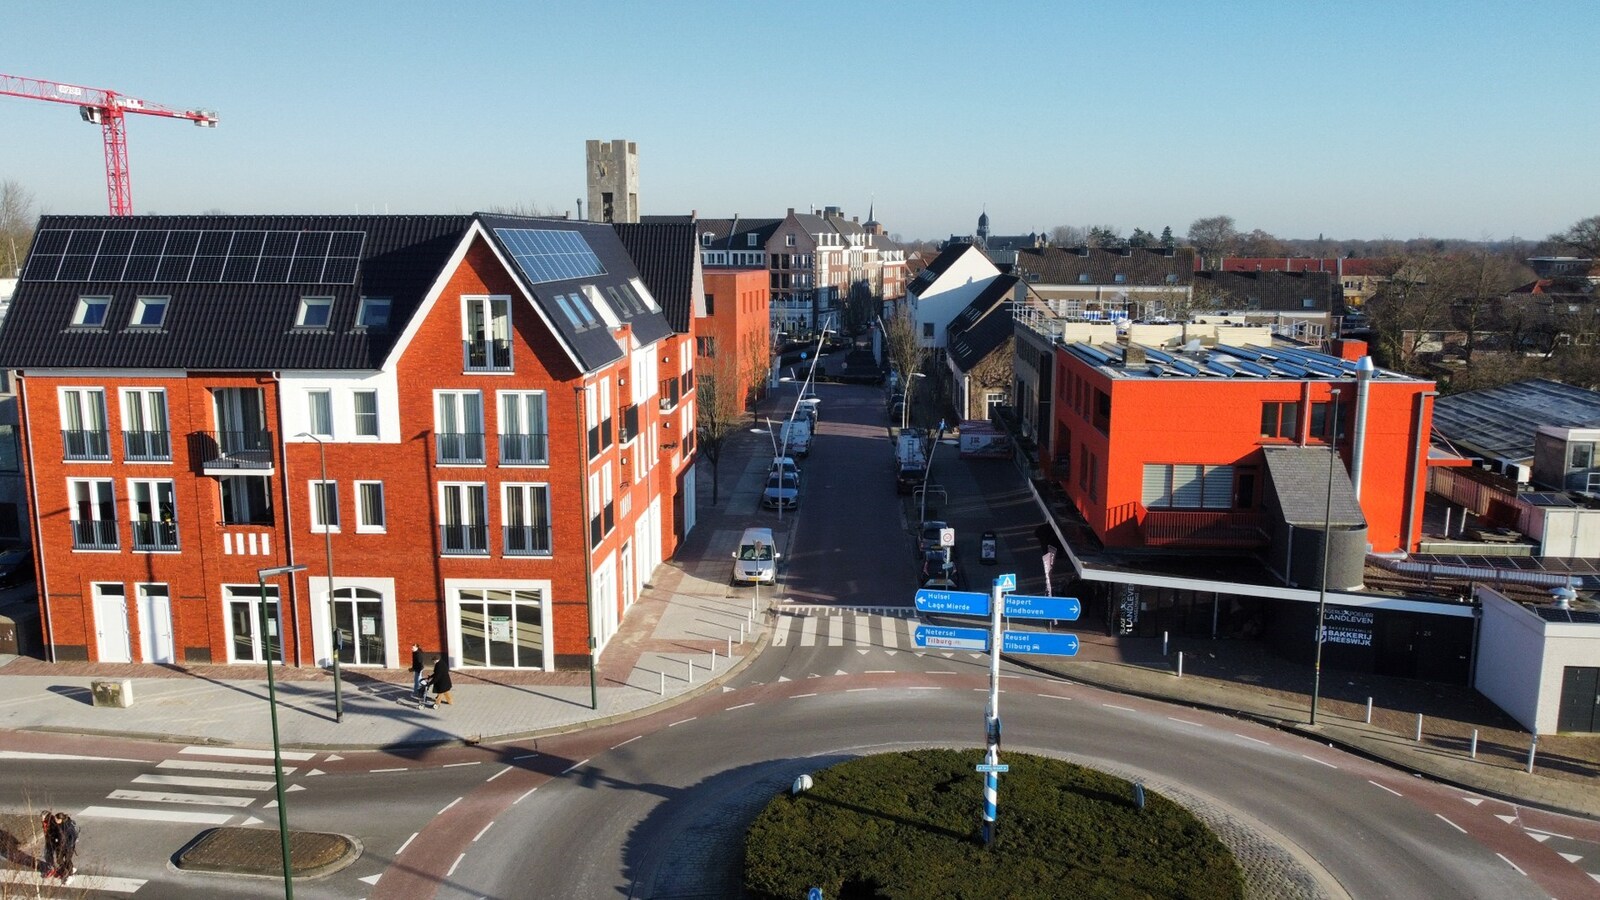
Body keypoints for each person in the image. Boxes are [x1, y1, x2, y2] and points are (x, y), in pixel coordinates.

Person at [53, 812, 77, 884]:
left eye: (56, 819)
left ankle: (71, 875)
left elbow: (73, 837)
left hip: (68, 847)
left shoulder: (68, 826)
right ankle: (67, 869)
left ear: (60, 819)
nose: (55, 820)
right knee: (59, 859)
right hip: (60, 846)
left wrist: (68, 846)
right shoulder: (58, 825)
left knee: (67, 860)